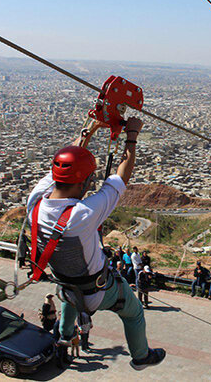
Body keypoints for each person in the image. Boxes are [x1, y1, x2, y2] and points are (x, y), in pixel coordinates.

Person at [26, 117, 165, 370]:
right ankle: (141, 356)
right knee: (132, 312)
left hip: (66, 285)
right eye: (89, 180)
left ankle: (65, 335)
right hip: (99, 291)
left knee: (70, 298)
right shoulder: (82, 216)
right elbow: (120, 178)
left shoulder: (34, 204)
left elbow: (65, 165)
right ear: (82, 182)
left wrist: (87, 131)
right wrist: (131, 136)